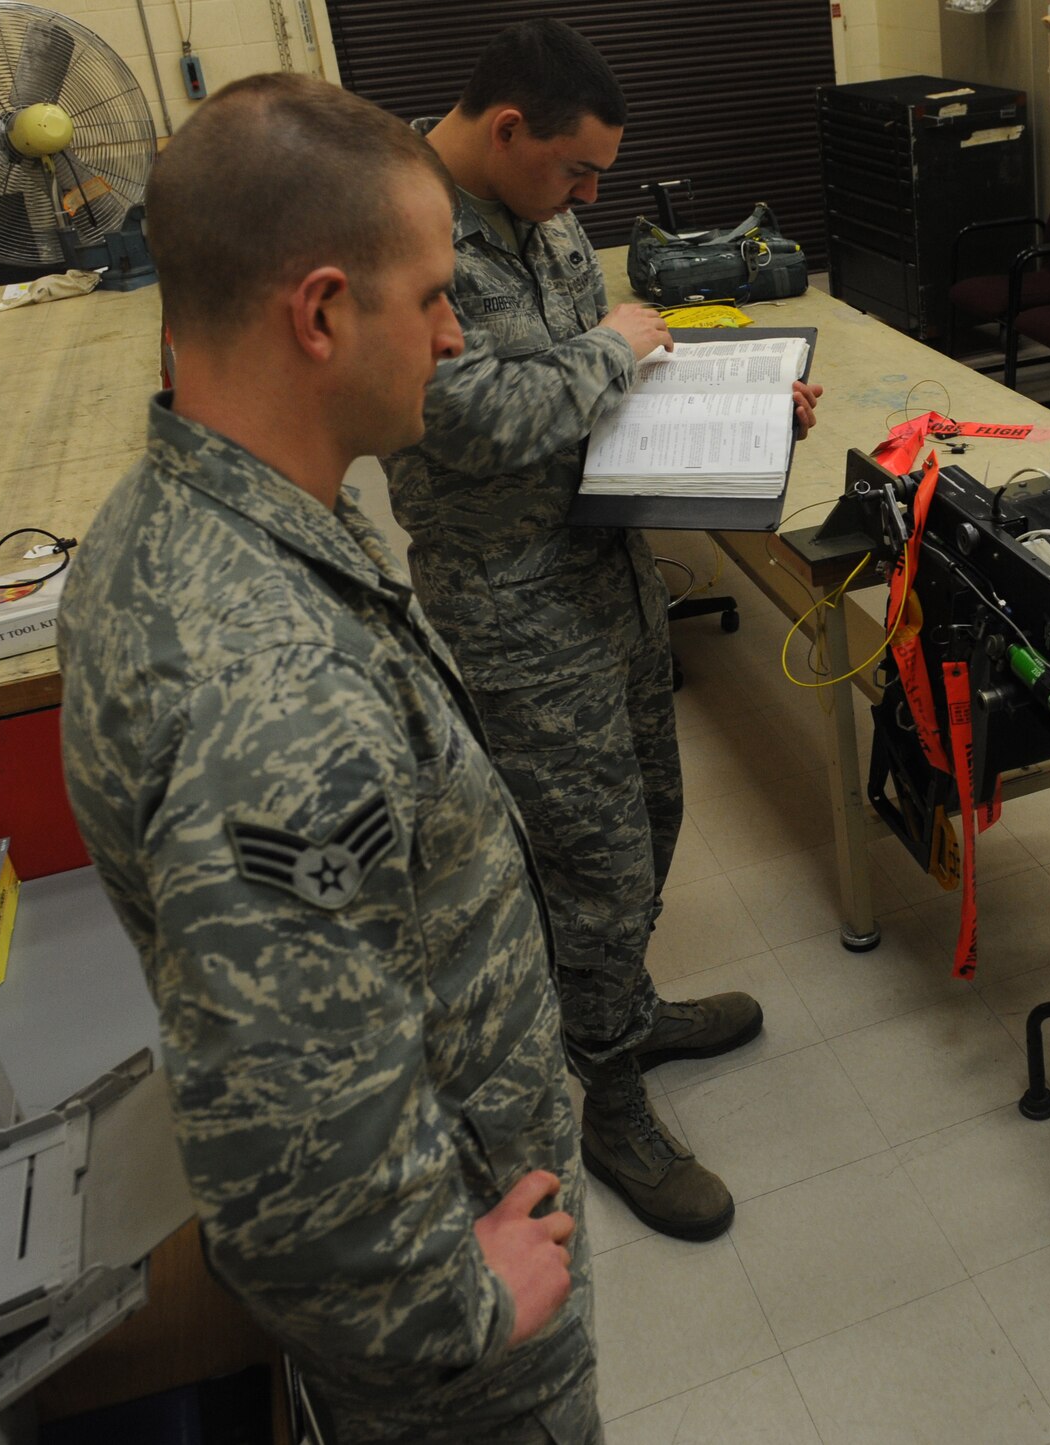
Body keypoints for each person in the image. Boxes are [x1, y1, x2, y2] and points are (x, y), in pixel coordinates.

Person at [57, 75, 601, 1444]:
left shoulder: (168, 513)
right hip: (461, 1362)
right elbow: (282, 1138)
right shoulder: (278, 696)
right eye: (429, 297)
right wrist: (450, 1308)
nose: (456, 328)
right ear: (318, 313)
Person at [386, 18, 819, 1242]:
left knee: (653, 809)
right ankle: (610, 1096)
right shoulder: (399, 225)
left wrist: (739, 402)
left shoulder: (541, 210)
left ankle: (621, 1002)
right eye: (577, 172)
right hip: (513, 599)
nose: (590, 197)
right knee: (593, 860)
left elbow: (616, 370)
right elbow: (454, 412)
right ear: (508, 129)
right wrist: (606, 350)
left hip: (610, 565)